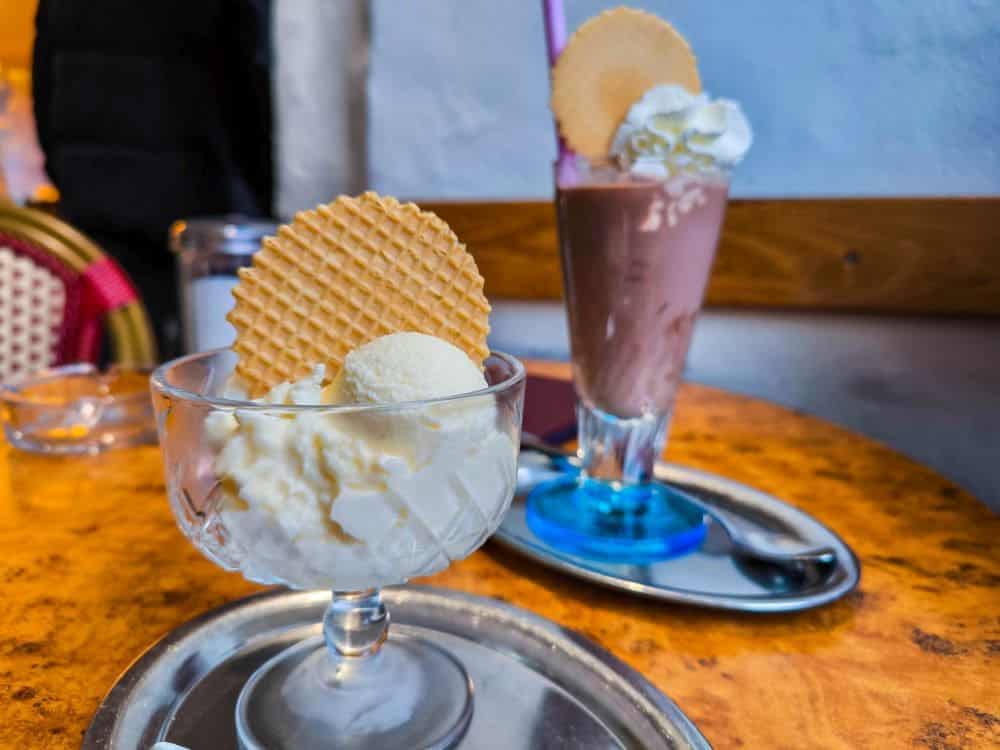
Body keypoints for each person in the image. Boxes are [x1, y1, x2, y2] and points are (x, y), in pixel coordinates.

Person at [32, 0, 273, 358]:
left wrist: (68, 174)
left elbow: (45, 85)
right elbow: (253, 79)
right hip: (204, 212)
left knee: (118, 358)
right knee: (209, 367)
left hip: (95, 204)